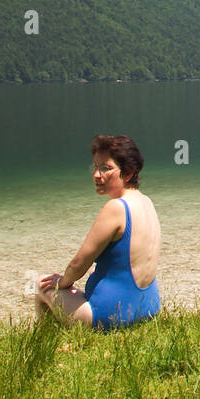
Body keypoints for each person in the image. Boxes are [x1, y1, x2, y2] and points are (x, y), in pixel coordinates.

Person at [36, 134, 162, 329]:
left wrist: (62, 282)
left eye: (106, 168)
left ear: (127, 173)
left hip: (111, 316)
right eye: (95, 167)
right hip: (149, 307)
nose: (96, 175)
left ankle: (45, 338)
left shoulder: (116, 208)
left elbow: (79, 263)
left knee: (41, 286)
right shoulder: (146, 202)